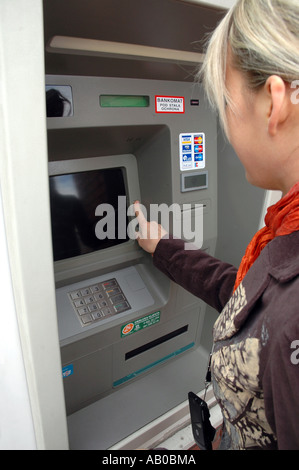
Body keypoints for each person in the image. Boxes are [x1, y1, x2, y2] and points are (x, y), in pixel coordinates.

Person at [134, 0, 299, 450]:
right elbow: (247, 298)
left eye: (225, 102)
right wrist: (162, 248)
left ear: (274, 103)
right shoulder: (286, 229)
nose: (223, 123)